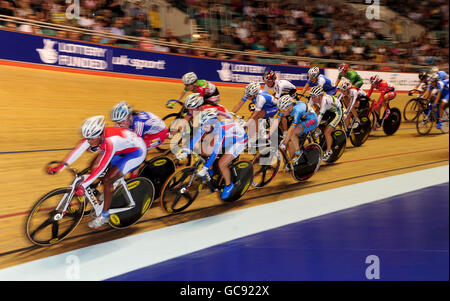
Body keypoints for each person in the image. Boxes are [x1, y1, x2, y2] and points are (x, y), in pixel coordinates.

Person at [46, 115, 147, 229]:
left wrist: (83, 185)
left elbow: (101, 167)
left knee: (108, 179)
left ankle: (104, 216)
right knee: (93, 166)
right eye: (87, 138)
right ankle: (110, 188)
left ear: (99, 135)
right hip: (123, 147)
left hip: (137, 152)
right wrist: (60, 167)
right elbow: (78, 150)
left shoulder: (110, 142)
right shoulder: (95, 135)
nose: (88, 141)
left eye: (91, 139)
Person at [176, 109, 248, 199]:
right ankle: (211, 171)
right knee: (205, 147)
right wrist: (186, 151)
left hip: (239, 140)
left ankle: (229, 185)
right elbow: (196, 138)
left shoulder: (219, 130)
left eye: (205, 125)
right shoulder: (207, 125)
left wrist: (205, 167)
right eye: (202, 124)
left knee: (221, 164)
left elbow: (215, 152)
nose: (203, 127)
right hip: (228, 136)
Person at [267, 94, 318, 166]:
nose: (281, 112)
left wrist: (284, 143)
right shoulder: (284, 108)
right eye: (280, 110)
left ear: (290, 107)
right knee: (290, 142)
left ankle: (298, 153)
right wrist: (268, 134)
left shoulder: (297, 110)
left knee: (292, 133)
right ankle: (292, 163)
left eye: (283, 111)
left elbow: (291, 129)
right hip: (302, 119)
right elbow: (276, 122)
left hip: (311, 120)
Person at [307, 85, 343, 161]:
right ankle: (319, 130)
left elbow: (319, 117)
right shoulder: (313, 98)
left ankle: (329, 151)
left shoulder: (324, 101)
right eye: (312, 96)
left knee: (327, 132)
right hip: (328, 110)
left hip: (336, 112)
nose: (312, 99)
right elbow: (307, 110)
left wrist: (311, 127)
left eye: (314, 97)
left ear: (320, 96)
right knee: (314, 113)